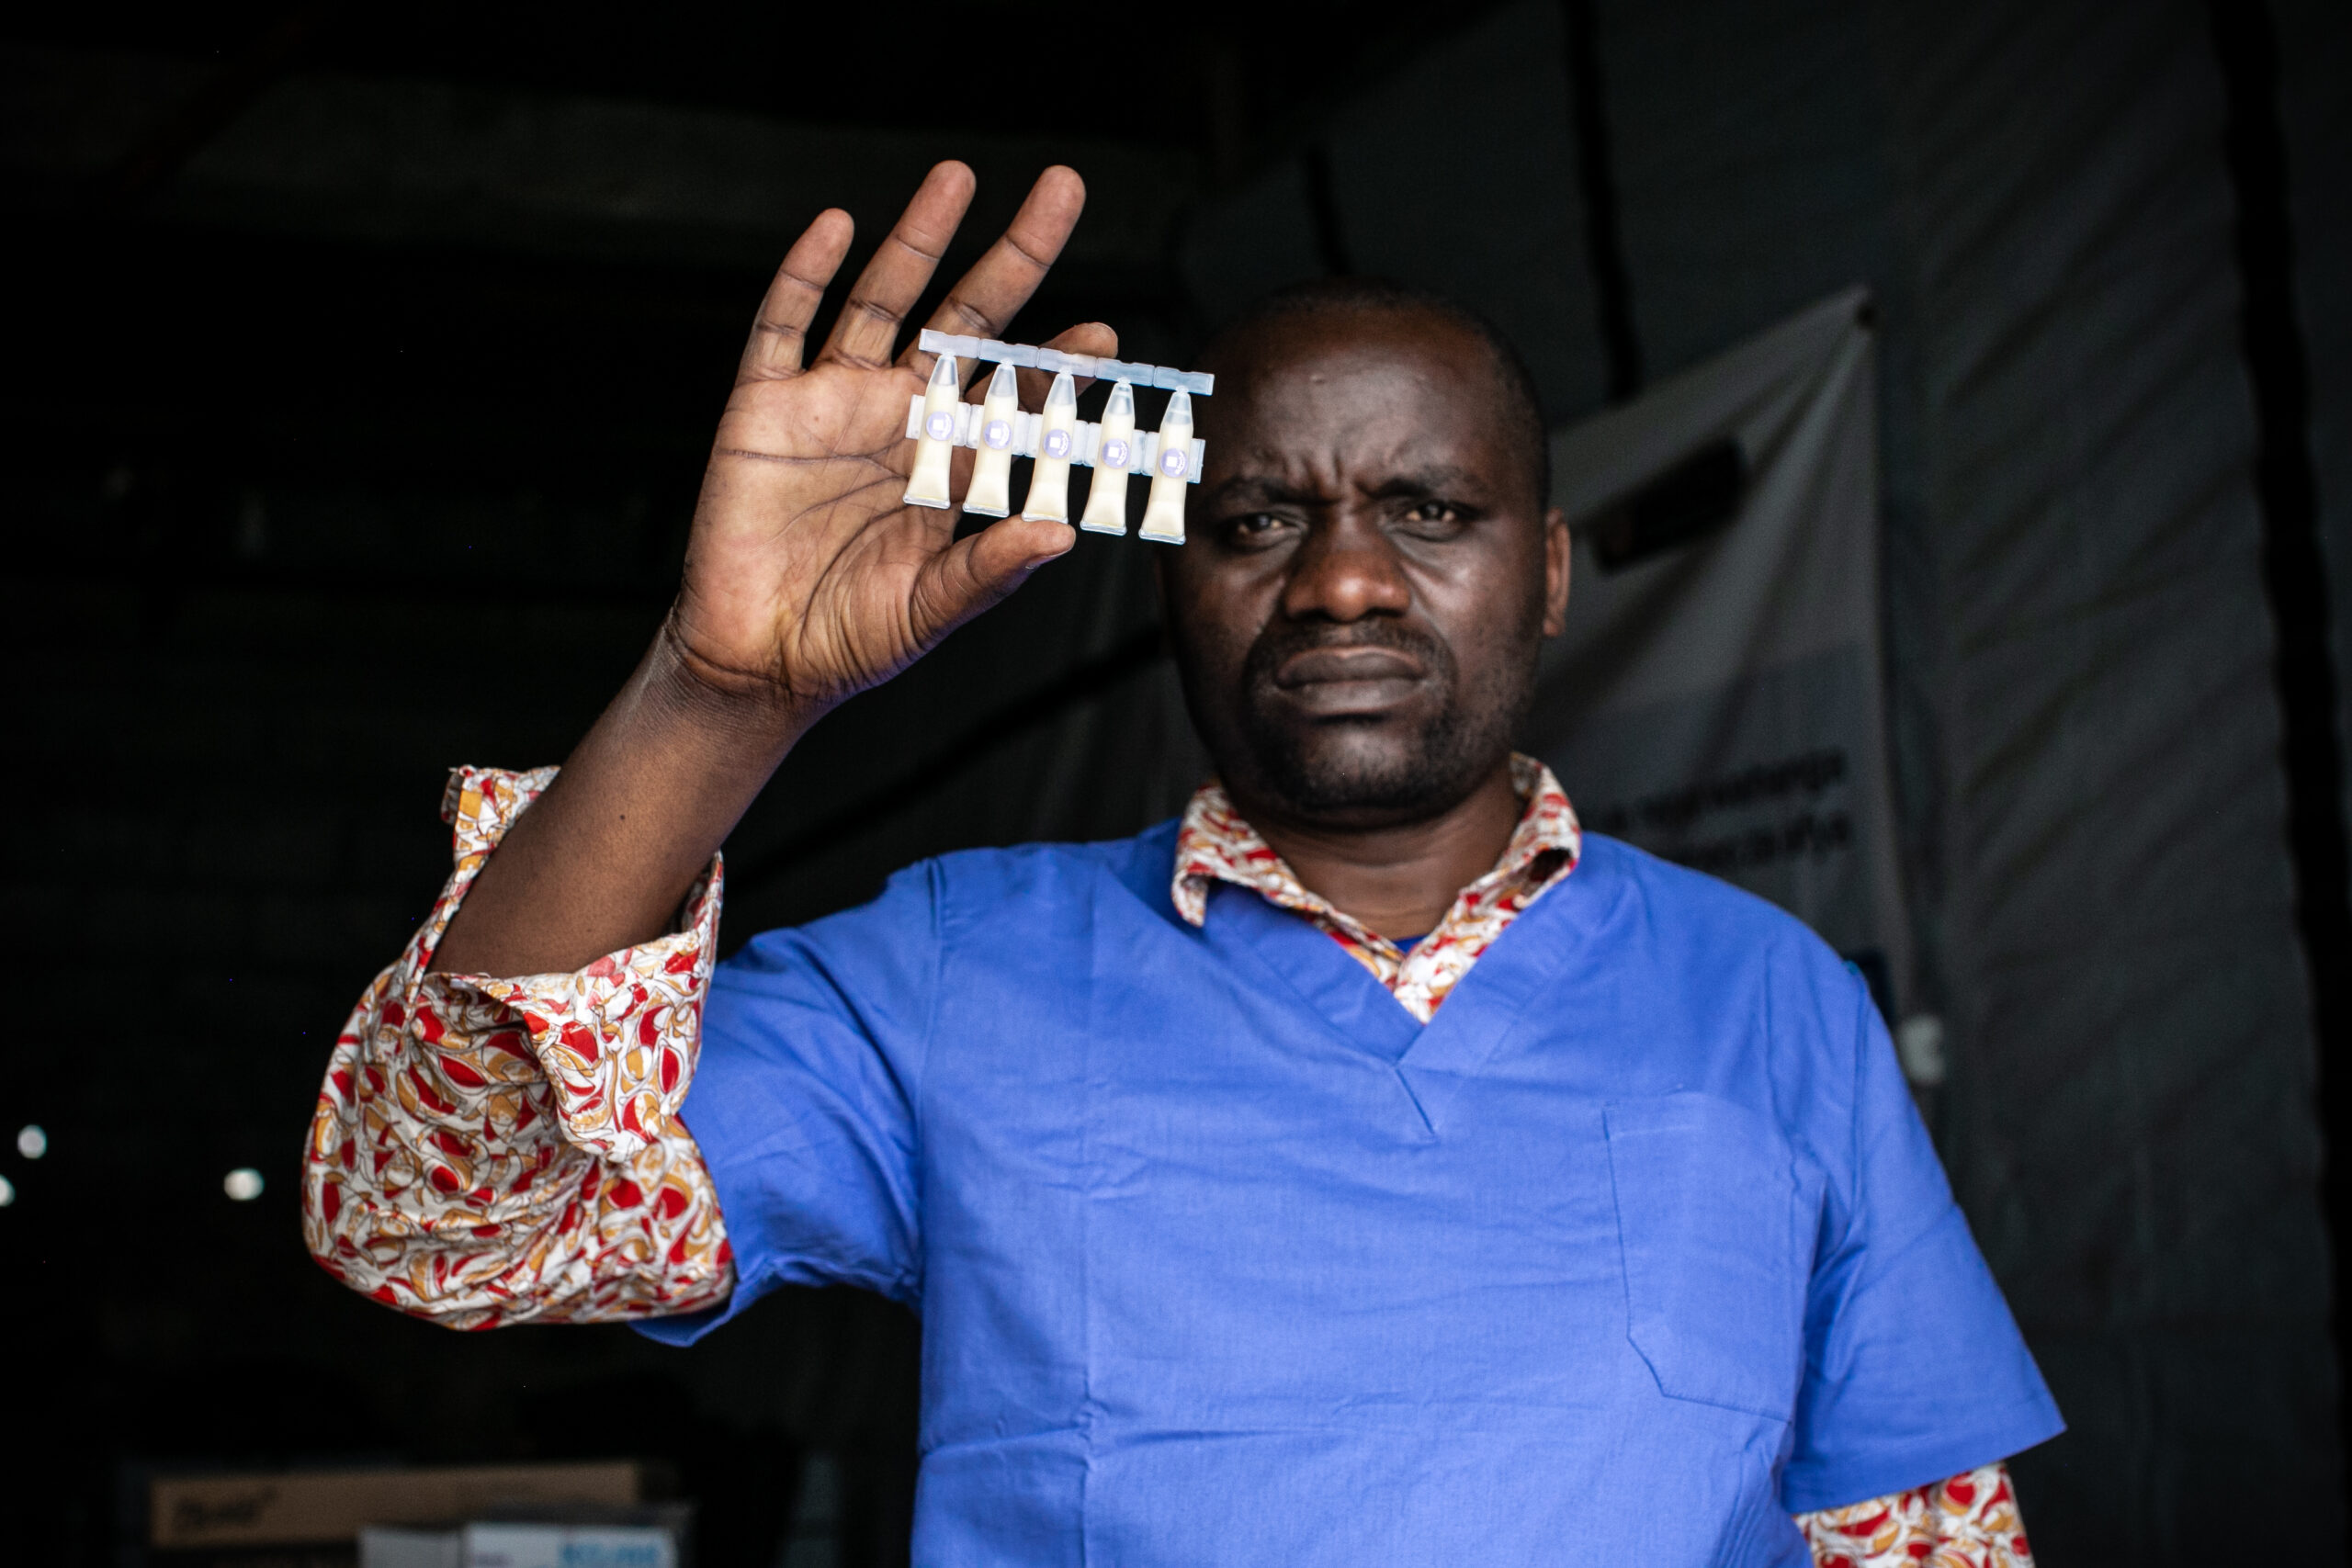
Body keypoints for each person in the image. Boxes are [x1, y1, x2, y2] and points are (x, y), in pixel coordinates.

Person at [302, 163, 2060, 1566]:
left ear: (1546, 574)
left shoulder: (1776, 1003)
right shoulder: (952, 970)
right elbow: (440, 1225)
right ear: (1168, 577)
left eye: (1429, 512)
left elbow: (1917, 1541)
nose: (1345, 582)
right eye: (1255, 520)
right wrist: (717, 693)